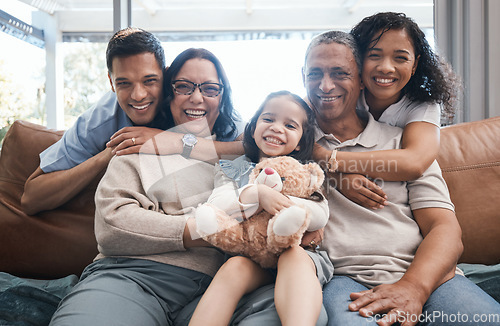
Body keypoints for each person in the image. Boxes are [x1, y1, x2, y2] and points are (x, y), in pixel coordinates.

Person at [48, 47, 276, 325]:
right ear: (169, 95)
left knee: (282, 309)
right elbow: (112, 223)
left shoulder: (245, 160)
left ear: (222, 96)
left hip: (224, 287)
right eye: (183, 87)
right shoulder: (139, 147)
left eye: (210, 89)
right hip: (132, 277)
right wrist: (202, 229)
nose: (197, 97)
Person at [303, 30, 500, 326]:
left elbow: (444, 229)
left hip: (424, 276)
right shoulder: (292, 142)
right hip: (343, 279)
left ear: (360, 79)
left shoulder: (402, 145)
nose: (325, 85)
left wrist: (415, 288)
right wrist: (332, 171)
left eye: (339, 73)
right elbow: (247, 145)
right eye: (314, 73)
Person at [21, 27, 245, 215]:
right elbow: (31, 198)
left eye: (149, 81)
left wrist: (173, 141)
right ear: (111, 82)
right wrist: (109, 154)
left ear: (166, 77)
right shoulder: (102, 118)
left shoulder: (202, 103)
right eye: (124, 83)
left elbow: (248, 149)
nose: (138, 95)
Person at [188, 91, 333, 326]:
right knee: (233, 267)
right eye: (268, 119)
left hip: (299, 254)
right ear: (253, 128)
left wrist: (284, 203)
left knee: (293, 256)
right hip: (253, 256)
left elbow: (319, 214)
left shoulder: (304, 172)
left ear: (300, 142)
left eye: (289, 125)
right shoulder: (233, 169)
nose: (277, 128)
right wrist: (257, 194)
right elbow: (216, 205)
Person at [313, 12, 461, 210]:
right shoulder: (342, 91)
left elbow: (414, 162)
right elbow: (290, 125)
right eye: (374, 55)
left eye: (400, 58)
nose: (386, 67)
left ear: (415, 64)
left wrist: (329, 159)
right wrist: (337, 177)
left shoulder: (422, 105)